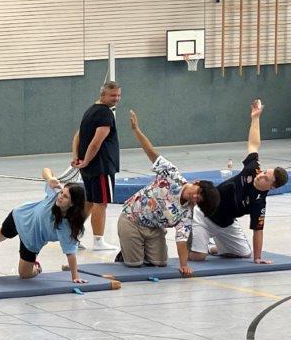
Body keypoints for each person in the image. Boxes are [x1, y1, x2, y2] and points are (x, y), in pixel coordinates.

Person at [118, 111, 220, 275]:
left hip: (154, 228)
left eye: (198, 200)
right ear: (196, 182)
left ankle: (141, 247)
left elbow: (181, 240)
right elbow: (151, 152)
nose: (194, 197)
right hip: (131, 219)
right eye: (197, 192)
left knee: (160, 263)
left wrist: (183, 265)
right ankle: (126, 251)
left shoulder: (186, 214)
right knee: (134, 264)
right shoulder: (172, 175)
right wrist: (136, 130)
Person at [188, 99, 288, 264]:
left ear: (272, 187)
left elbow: (258, 230)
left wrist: (258, 258)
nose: (261, 175)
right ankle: (192, 241)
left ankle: (212, 247)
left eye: (266, 178)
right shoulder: (252, 168)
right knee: (199, 257)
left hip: (225, 224)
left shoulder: (259, 203)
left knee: (244, 253)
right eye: (265, 172)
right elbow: (254, 144)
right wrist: (255, 118)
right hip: (204, 214)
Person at [0, 168, 88, 283]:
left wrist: (75, 277)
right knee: (2, 234)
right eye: (61, 193)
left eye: (65, 197)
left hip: (31, 241)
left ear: (72, 203)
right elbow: (46, 170)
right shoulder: (54, 196)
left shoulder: (68, 227)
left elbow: (70, 253)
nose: (60, 196)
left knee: (25, 274)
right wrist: (50, 179)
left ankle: (36, 267)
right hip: (21, 216)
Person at [72, 81, 121, 251]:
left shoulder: (90, 111)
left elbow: (77, 136)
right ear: (103, 95)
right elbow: (96, 142)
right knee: (101, 203)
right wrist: (85, 160)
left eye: (118, 95)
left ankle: (73, 235)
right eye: (113, 95)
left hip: (89, 166)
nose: (117, 99)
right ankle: (98, 241)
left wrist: (77, 157)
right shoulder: (105, 114)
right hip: (101, 166)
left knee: (89, 202)